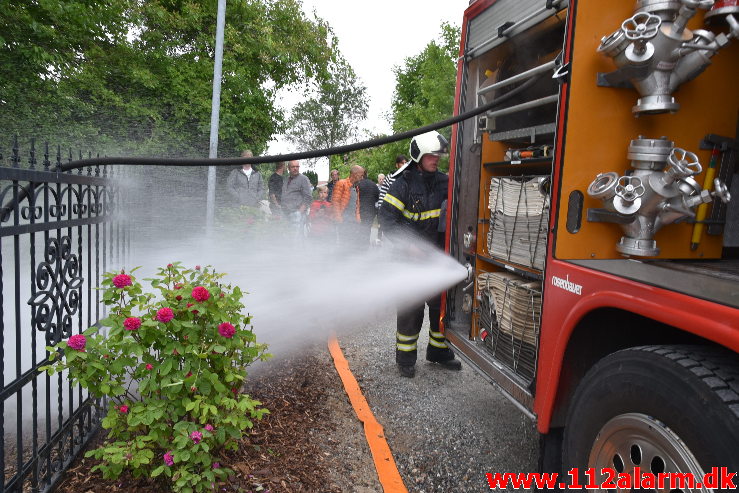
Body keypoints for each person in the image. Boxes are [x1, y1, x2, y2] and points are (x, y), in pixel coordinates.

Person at [378, 132, 461, 378]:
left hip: (434, 258)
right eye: (432, 155)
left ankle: (437, 351)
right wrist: (409, 246)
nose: (437, 159)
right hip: (408, 260)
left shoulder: (443, 181)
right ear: (418, 156)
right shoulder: (401, 184)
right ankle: (405, 359)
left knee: (439, 306)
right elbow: (387, 220)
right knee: (410, 309)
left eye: (438, 155)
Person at [332, 165, 364, 248]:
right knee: (344, 244)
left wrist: (358, 219)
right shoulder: (342, 183)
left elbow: (357, 204)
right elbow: (335, 202)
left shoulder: (356, 187)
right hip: (344, 221)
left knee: (352, 244)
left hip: (352, 222)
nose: (362, 178)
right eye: (361, 175)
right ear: (355, 174)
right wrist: (338, 218)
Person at [281, 160, 313, 236]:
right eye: (293, 167)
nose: (295, 168)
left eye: (297, 166)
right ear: (288, 168)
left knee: (296, 238)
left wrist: (299, 212)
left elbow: (308, 197)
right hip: (285, 213)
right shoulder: (286, 179)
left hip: (297, 213)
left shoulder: (303, 179)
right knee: (287, 237)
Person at [357, 170, 380, 248]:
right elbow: (378, 197)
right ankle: (365, 245)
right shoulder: (373, 184)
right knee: (367, 227)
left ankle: (359, 244)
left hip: (360, 210)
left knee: (359, 227)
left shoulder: (358, 184)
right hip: (371, 211)